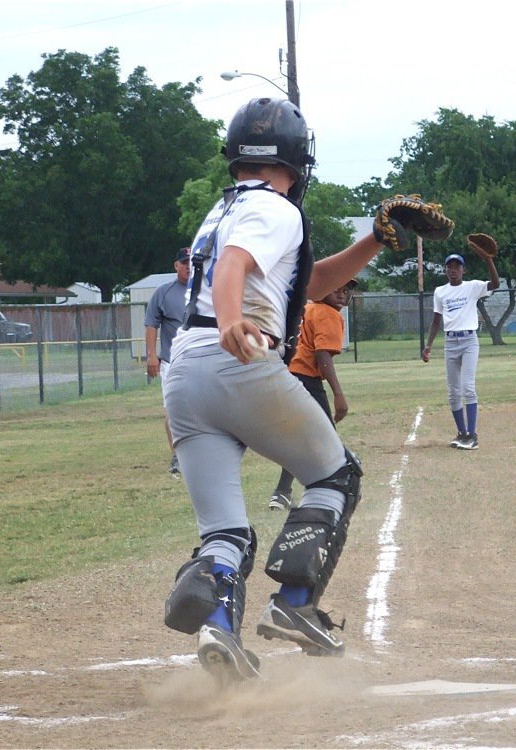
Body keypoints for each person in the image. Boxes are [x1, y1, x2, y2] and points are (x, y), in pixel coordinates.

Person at [162, 97, 398, 684]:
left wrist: (372, 239)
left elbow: (308, 283)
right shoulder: (276, 207)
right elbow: (233, 269)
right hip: (237, 359)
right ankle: (293, 602)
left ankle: (220, 624)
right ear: (296, 158)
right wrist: (229, 322)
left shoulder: (225, 209)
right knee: (336, 475)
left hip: (183, 373)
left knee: (224, 531)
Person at [268, 279, 358, 511]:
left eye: (345, 290)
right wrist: (338, 394)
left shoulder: (308, 308)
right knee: (326, 433)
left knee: (302, 436)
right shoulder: (327, 313)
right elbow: (322, 355)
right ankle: (339, 485)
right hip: (305, 378)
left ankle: (282, 493)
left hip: (287, 375)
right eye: (336, 287)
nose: (341, 293)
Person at [421, 243, 500, 450]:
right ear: (445, 270)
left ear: (463, 270)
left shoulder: (472, 287)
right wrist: (428, 346)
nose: (453, 270)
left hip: (469, 341)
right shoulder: (440, 292)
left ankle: (472, 436)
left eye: (457, 266)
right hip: (450, 342)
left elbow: (495, 283)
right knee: (453, 392)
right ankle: (461, 433)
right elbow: (436, 320)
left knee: (468, 388)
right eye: (450, 267)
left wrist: (489, 260)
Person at [144, 247, 191, 475]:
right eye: (184, 263)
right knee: (172, 409)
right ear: (176, 266)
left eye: (192, 262)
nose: (188, 266)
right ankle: (177, 455)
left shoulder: (204, 291)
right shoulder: (163, 292)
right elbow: (151, 323)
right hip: (172, 361)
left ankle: (198, 455)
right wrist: (152, 355)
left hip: (198, 359)